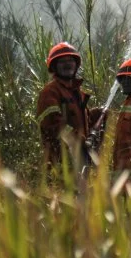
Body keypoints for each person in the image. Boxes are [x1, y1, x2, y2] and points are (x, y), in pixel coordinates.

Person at [35, 42, 98, 175]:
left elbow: (79, 121)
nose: (67, 64)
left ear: (76, 65)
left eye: (70, 60)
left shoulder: (77, 93)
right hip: (60, 161)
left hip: (80, 159)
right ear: (54, 66)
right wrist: (77, 138)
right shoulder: (50, 92)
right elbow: (53, 123)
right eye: (62, 61)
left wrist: (95, 115)